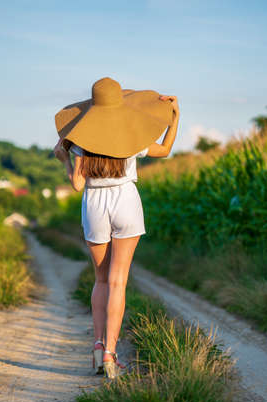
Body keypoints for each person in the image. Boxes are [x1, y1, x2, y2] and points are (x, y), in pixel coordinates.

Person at [53, 77, 180, 379]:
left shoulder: (83, 140)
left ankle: (97, 348)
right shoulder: (131, 136)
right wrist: (175, 117)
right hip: (125, 200)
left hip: (94, 203)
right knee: (118, 281)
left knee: (101, 280)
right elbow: (164, 150)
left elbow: (77, 185)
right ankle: (111, 354)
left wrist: (66, 161)